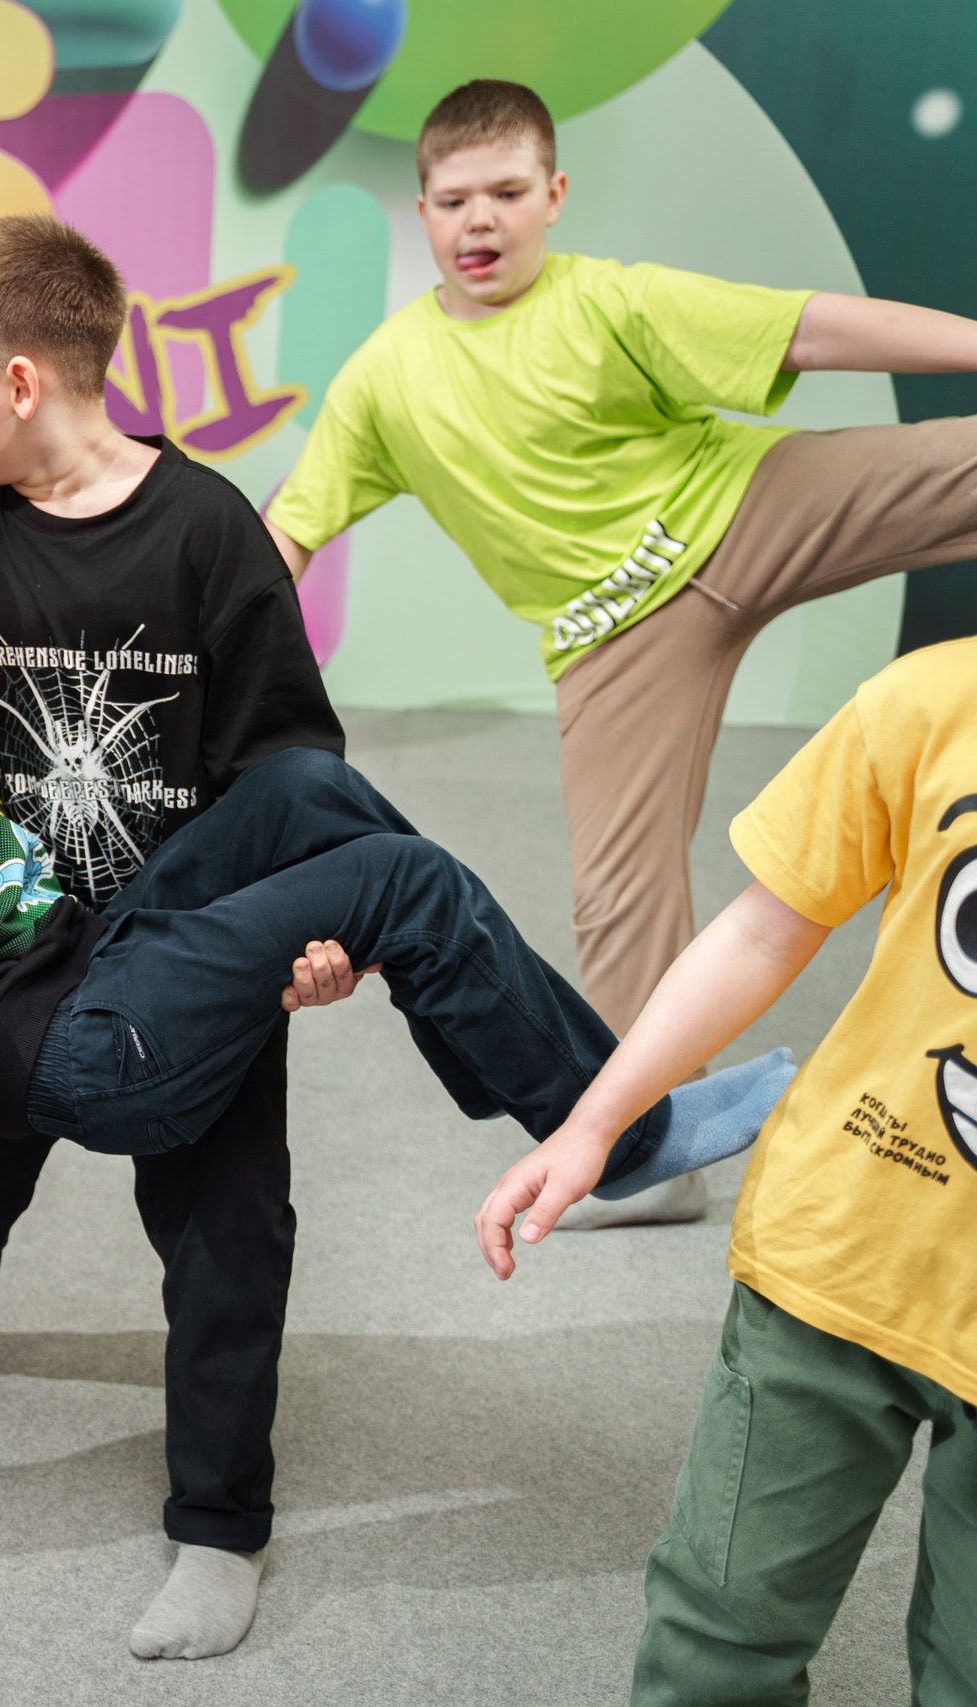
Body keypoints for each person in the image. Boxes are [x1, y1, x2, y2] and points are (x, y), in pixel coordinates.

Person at [0, 522, 787, 1342]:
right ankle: (618, 1136)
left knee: (301, 785)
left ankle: (453, 1006)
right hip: (79, 1046)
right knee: (405, 880)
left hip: (96, 965)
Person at [265, 79, 977, 1228]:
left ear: (552, 196)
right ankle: (650, 1154)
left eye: (506, 192)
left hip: (744, 505)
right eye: (454, 200)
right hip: (613, 638)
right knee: (619, 900)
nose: (480, 220)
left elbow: (810, 328)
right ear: (422, 212)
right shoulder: (388, 379)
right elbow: (285, 535)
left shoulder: (611, 303)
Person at [0, 217, 347, 1661]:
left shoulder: (211, 529)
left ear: (22, 381)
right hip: (15, 961)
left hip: (187, 960)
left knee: (229, 1234)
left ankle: (222, 1520)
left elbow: (292, 758)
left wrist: (322, 931)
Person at [475, 640, 977, 1706]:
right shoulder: (929, 700)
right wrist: (596, 1124)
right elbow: (761, 927)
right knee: (719, 1640)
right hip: (838, 1259)